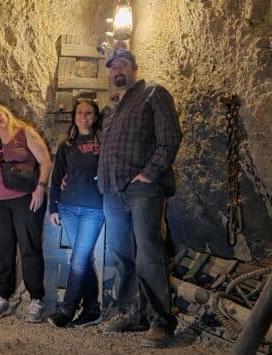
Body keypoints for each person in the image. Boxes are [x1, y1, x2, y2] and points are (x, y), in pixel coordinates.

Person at [97, 47, 182, 348]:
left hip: (141, 190)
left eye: (122, 63)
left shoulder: (153, 93)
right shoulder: (111, 109)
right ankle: (134, 313)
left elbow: (170, 138)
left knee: (149, 253)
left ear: (133, 67)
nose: (116, 69)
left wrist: (148, 174)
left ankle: (161, 321)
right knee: (122, 255)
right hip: (111, 190)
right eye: (112, 66)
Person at [0, 101, 52, 323]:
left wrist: (40, 188)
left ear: (7, 114)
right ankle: (3, 296)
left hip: (25, 200)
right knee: (3, 250)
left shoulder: (25, 133)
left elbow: (45, 160)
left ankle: (36, 299)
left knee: (29, 248)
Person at [45, 98, 105, 328]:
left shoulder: (103, 144)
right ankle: (92, 309)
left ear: (96, 116)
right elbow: (56, 177)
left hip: (93, 209)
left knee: (78, 259)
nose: (83, 116)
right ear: (74, 116)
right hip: (68, 208)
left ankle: (68, 309)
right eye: (79, 112)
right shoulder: (66, 146)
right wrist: (53, 207)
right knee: (84, 258)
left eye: (88, 112)